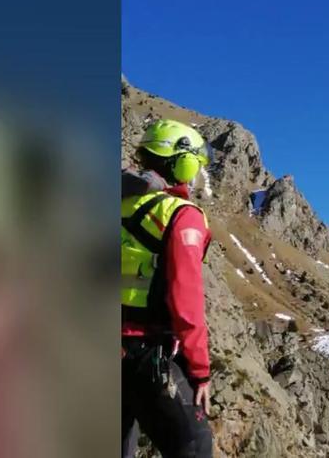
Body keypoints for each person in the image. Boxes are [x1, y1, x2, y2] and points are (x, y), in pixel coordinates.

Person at [121, 119, 215, 458]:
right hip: (147, 352)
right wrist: (200, 372)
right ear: (183, 162)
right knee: (194, 445)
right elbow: (185, 299)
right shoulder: (180, 215)